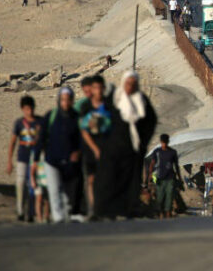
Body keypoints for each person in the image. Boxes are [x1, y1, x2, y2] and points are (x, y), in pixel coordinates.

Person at [94, 71, 157, 219]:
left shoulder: (141, 101)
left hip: (133, 150)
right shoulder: (115, 99)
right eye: (128, 83)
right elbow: (101, 120)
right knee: (112, 179)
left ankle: (128, 209)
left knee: (131, 181)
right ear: (123, 83)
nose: (130, 87)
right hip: (113, 149)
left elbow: (151, 122)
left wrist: (143, 142)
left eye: (134, 84)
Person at [34, 88, 81, 223]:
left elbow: (82, 139)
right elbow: (41, 138)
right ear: (59, 100)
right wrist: (36, 159)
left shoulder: (76, 117)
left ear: (72, 101)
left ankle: (66, 216)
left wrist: (78, 152)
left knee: (66, 193)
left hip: (69, 163)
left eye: (68, 100)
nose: (65, 103)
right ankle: (58, 218)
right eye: (63, 100)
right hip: (52, 161)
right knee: (54, 190)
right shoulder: (51, 116)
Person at [78, 75, 113, 217]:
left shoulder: (109, 105)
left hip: (106, 147)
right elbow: (84, 129)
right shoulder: (85, 106)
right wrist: (94, 148)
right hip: (90, 148)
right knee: (91, 179)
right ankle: (93, 209)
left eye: (99, 88)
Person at [7, 96, 43, 221]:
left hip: (37, 158)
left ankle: (32, 212)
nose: (29, 111)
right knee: (21, 183)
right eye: (27, 109)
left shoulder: (40, 122)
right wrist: (9, 161)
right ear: (22, 109)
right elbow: (13, 142)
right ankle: (20, 211)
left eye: (31, 108)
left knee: (35, 185)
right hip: (22, 157)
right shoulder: (19, 123)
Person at [148, 134, 182, 219]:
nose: (164, 144)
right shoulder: (157, 152)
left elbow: (176, 166)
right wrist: (150, 176)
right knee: (160, 197)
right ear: (161, 142)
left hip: (170, 178)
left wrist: (180, 177)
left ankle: (168, 213)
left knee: (169, 196)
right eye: (163, 143)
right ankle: (160, 213)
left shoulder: (172, 152)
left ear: (168, 142)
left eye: (165, 142)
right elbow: (152, 163)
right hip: (159, 178)